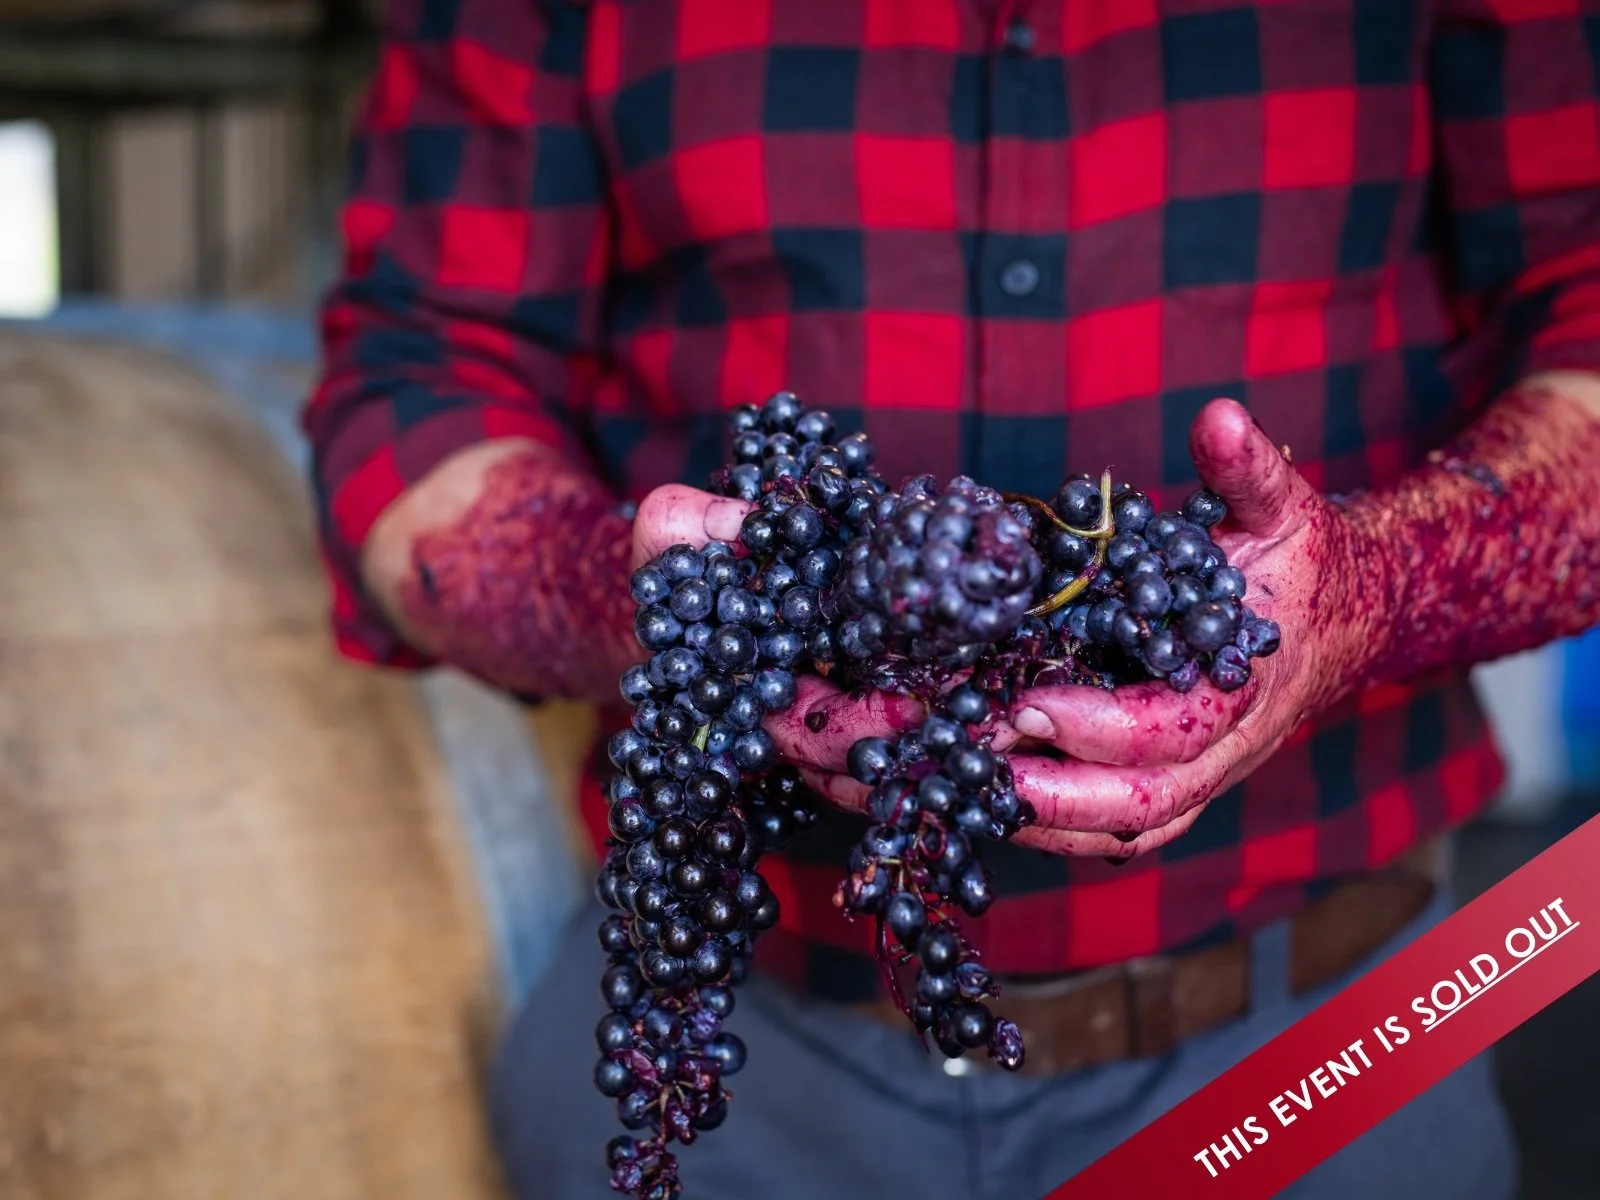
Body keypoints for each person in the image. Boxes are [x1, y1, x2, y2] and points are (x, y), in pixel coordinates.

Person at [301, 2, 1600, 1196]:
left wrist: (1369, 591)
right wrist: (662, 614)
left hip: (1326, 1059)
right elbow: (420, 379)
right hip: (738, 1047)